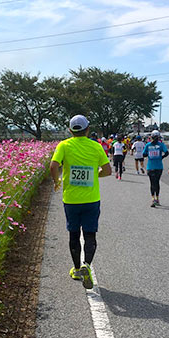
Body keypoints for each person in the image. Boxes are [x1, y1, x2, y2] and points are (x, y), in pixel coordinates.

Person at [50, 115, 112, 289]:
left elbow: (53, 166)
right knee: (90, 234)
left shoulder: (64, 145)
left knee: (74, 234)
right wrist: (95, 175)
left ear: (70, 130)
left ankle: (77, 269)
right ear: (87, 129)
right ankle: (87, 265)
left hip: (71, 200)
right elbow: (107, 170)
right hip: (92, 199)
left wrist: (56, 182)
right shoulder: (96, 146)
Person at [143, 130, 169, 207]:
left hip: (150, 166)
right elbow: (167, 153)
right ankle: (156, 198)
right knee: (156, 183)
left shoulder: (148, 145)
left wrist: (149, 155)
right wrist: (161, 157)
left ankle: (153, 199)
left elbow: (144, 154)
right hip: (158, 166)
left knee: (152, 183)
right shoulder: (161, 145)